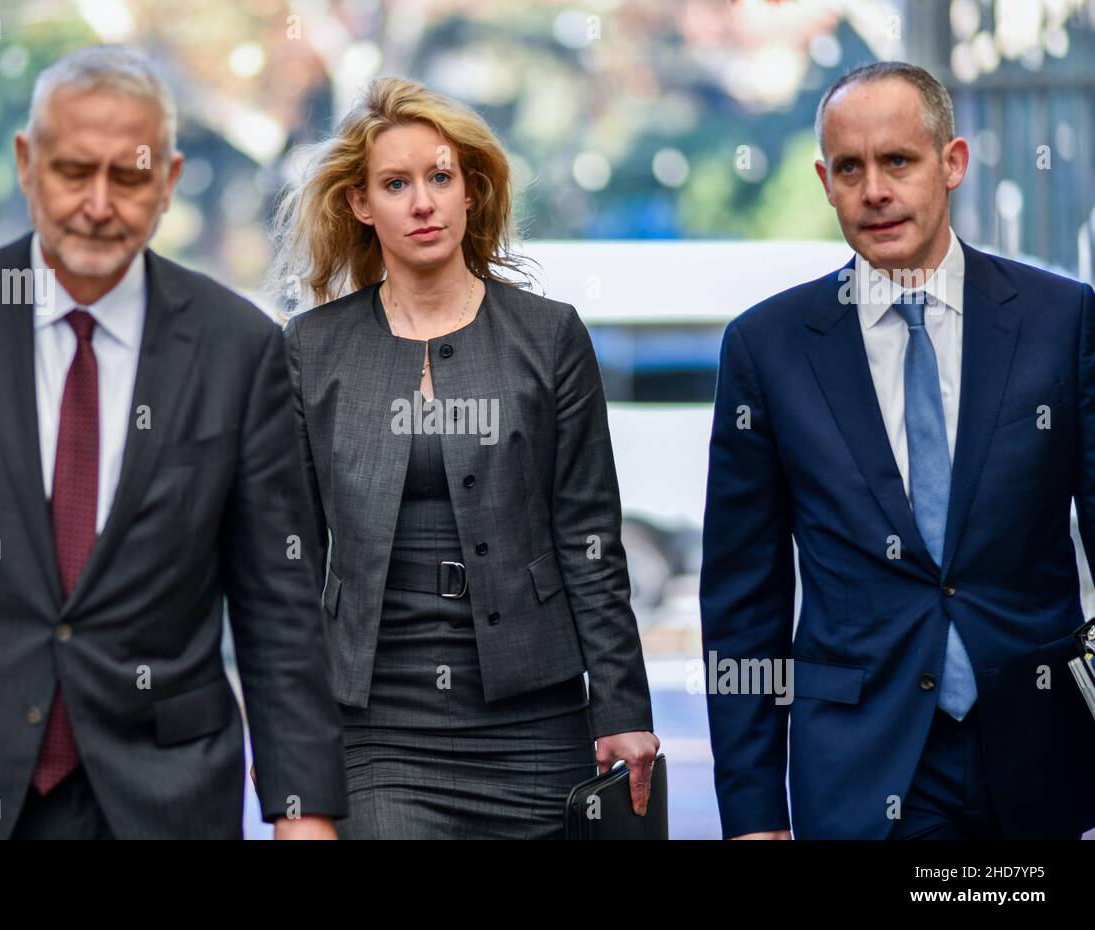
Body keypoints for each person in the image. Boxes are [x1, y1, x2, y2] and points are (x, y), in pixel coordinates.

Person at [0, 46, 345, 840]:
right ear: (27, 164)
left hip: (164, 792)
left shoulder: (239, 348)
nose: (97, 202)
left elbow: (277, 603)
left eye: (127, 176)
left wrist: (302, 811)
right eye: (72, 170)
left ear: (169, 180)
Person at [701, 61, 1095, 840]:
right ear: (825, 180)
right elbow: (744, 601)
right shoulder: (768, 348)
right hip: (860, 771)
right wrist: (752, 814)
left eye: (899, 161)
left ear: (952, 163)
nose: (874, 190)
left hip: (1039, 760)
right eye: (850, 168)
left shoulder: (1062, 321)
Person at [274, 76, 658, 839]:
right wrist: (286, 741)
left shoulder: (549, 336)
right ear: (360, 203)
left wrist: (624, 708)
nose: (423, 202)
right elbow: (283, 563)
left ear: (470, 191)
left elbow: (590, 540)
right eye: (396, 183)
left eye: (440, 177)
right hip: (376, 723)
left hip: (535, 718)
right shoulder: (313, 350)